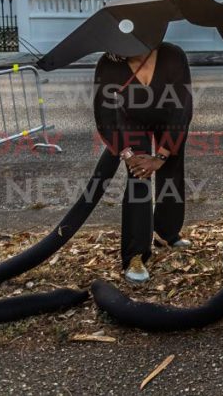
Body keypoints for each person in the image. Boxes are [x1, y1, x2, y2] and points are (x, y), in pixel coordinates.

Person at [94, 41, 193, 284]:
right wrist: (127, 153)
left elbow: (183, 108)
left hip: (169, 117)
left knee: (171, 171)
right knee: (138, 176)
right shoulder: (109, 62)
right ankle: (135, 255)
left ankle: (167, 232)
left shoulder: (173, 55)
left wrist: (161, 155)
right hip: (131, 120)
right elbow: (104, 112)